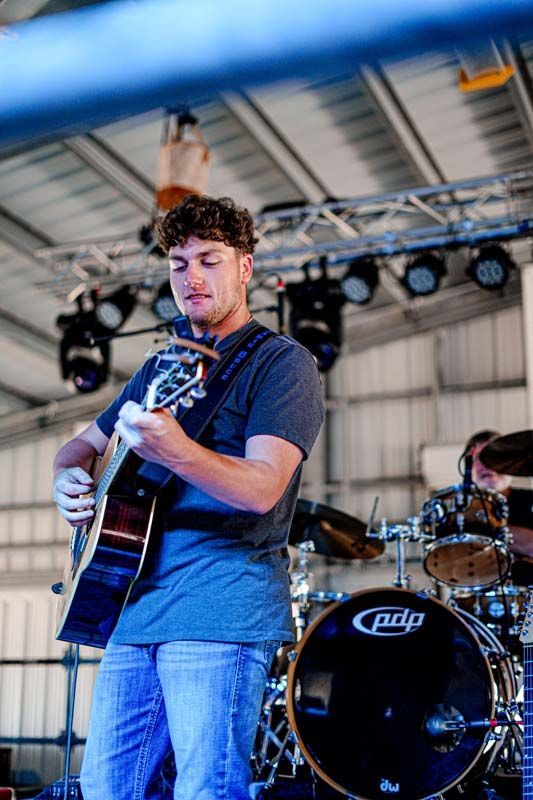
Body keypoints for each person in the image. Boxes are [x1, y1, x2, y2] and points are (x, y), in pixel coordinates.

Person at [52, 195, 325, 800]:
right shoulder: (158, 369)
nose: (192, 277)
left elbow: (261, 488)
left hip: (219, 612)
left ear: (245, 268)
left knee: (205, 790)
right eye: (179, 264)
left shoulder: (283, 364)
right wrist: (65, 479)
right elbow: (78, 448)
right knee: (104, 791)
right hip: (133, 609)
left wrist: (176, 450)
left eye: (210, 259)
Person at [466, 428, 533, 582]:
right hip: (473, 599)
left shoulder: (529, 499)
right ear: (468, 466)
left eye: (495, 458)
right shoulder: (458, 511)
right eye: (479, 459)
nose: (487, 466)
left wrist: (491, 531)